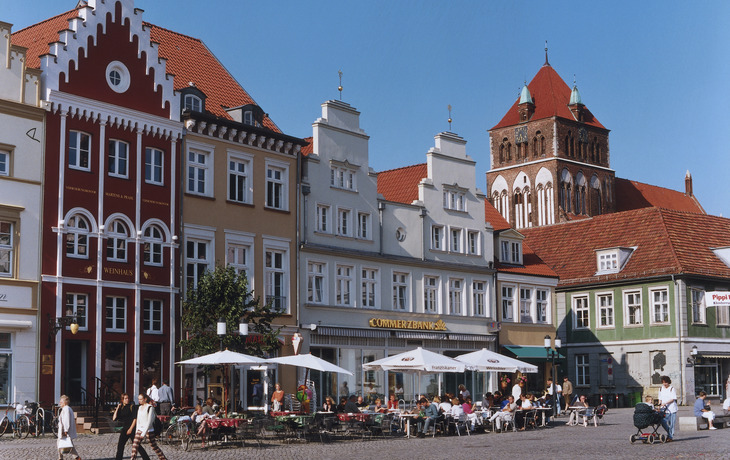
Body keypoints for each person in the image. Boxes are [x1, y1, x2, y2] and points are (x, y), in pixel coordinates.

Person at [113, 393, 149, 460]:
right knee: (120, 446)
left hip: (132, 429)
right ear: (122, 400)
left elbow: (135, 419)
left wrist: (130, 429)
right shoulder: (122, 408)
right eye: (125, 398)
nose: (127, 400)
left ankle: (146, 458)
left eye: (128, 398)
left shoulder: (132, 406)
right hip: (124, 429)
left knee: (137, 446)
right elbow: (114, 418)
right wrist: (118, 407)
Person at [130, 393, 167, 460]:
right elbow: (138, 420)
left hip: (149, 430)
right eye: (138, 399)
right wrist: (137, 431)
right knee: (134, 446)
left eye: (141, 399)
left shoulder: (150, 407)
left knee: (154, 446)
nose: (139, 401)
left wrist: (144, 433)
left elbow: (149, 422)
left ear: (145, 399)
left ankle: (163, 458)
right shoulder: (139, 407)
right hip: (140, 429)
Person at [57, 394, 81, 460]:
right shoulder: (67, 408)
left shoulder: (66, 409)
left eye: (61, 402)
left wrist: (65, 430)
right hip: (64, 431)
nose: (60, 403)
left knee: (61, 444)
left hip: (65, 431)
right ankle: (76, 457)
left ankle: (61, 458)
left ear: (64, 402)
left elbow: (66, 420)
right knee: (68, 445)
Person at [658, 375, 678, 441]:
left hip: (672, 408)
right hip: (664, 409)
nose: (665, 384)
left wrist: (666, 403)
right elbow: (660, 398)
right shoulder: (661, 389)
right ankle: (670, 433)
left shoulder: (672, 388)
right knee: (663, 421)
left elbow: (673, 398)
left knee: (671, 423)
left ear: (668, 382)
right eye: (663, 382)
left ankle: (670, 436)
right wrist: (659, 405)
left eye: (666, 382)